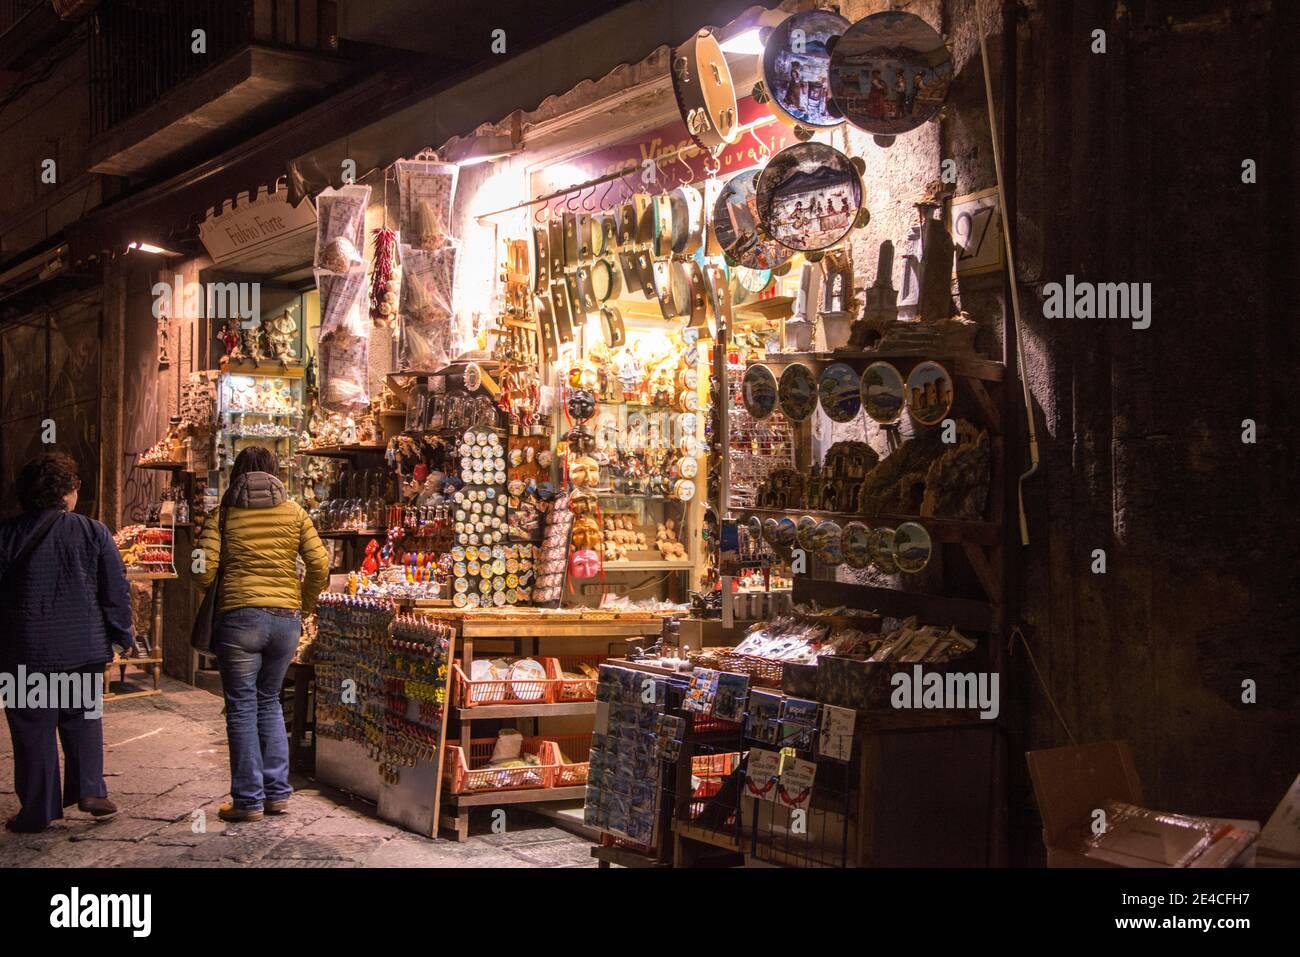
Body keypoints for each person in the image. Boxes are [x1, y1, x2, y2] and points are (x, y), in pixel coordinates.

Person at [0, 452, 134, 832]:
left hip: (25, 650)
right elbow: (115, 591)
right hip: (82, 648)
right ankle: (90, 788)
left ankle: (38, 809)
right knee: (81, 718)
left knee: (32, 729)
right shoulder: (93, 532)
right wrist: (122, 635)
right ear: (68, 492)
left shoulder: (7, 535)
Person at [194, 447, 329, 823]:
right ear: (275, 474)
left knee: (241, 707)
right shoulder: (295, 512)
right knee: (269, 701)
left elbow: (201, 568)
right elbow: (320, 563)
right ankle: (277, 795)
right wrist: (301, 604)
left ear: (237, 474)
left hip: (239, 620)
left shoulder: (222, 516)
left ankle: (248, 801)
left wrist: (219, 591)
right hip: (286, 621)